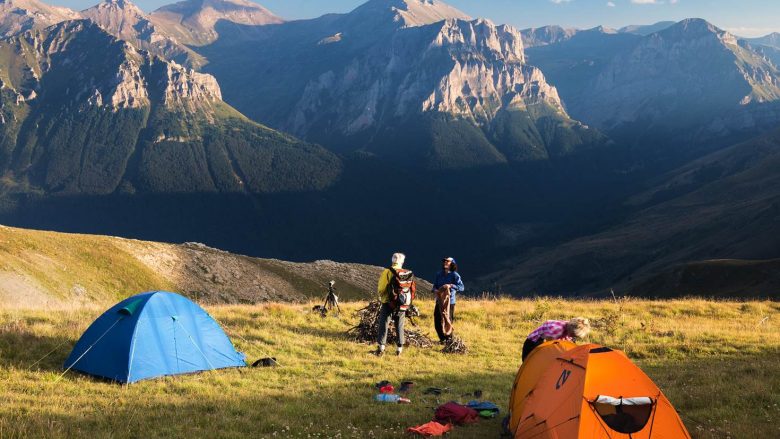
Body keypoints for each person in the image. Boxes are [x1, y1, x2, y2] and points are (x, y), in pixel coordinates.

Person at [376, 252, 416, 356]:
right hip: (403, 304)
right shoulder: (406, 273)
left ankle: (381, 348)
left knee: (384, 324)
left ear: (393, 260)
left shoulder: (388, 271)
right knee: (400, 325)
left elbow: (381, 288)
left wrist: (384, 297)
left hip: (389, 303)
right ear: (402, 262)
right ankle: (399, 349)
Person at [521, 317, 591, 361]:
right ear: (570, 330)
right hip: (534, 342)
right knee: (530, 360)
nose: (573, 337)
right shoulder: (557, 330)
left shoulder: (570, 327)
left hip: (546, 340)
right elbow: (550, 346)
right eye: (573, 335)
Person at [432, 257, 464, 342]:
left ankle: (449, 339)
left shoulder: (455, 275)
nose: (445, 262)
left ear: (452, 263)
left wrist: (451, 286)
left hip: (450, 302)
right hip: (439, 301)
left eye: (448, 261)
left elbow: (461, 287)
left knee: (448, 320)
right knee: (437, 320)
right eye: (444, 261)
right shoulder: (439, 274)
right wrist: (435, 290)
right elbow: (434, 286)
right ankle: (442, 339)